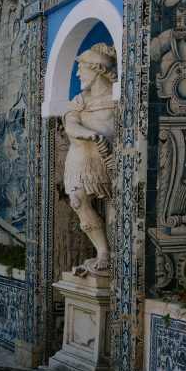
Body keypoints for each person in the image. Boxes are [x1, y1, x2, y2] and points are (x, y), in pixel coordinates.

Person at [62, 43, 117, 274]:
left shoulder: (116, 96)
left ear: (96, 69)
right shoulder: (80, 100)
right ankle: (103, 250)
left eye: (81, 68)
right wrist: (91, 134)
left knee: (114, 204)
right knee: (77, 200)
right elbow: (71, 125)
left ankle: (113, 255)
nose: (77, 74)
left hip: (108, 159)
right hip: (81, 160)